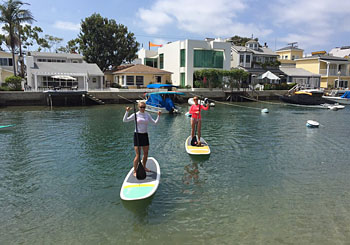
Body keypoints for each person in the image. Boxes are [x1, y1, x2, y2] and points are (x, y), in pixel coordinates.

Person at [123, 101, 161, 176]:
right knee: (138, 154)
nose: (142, 109)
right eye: (141, 107)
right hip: (137, 135)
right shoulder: (135, 115)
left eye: (144, 107)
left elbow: (155, 123)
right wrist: (127, 112)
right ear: (138, 107)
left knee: (146, 153)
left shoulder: (147, 114)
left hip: (145, 135)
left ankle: (144, 167)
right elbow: (125, 120)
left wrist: (159, 116)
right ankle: (135, 171)